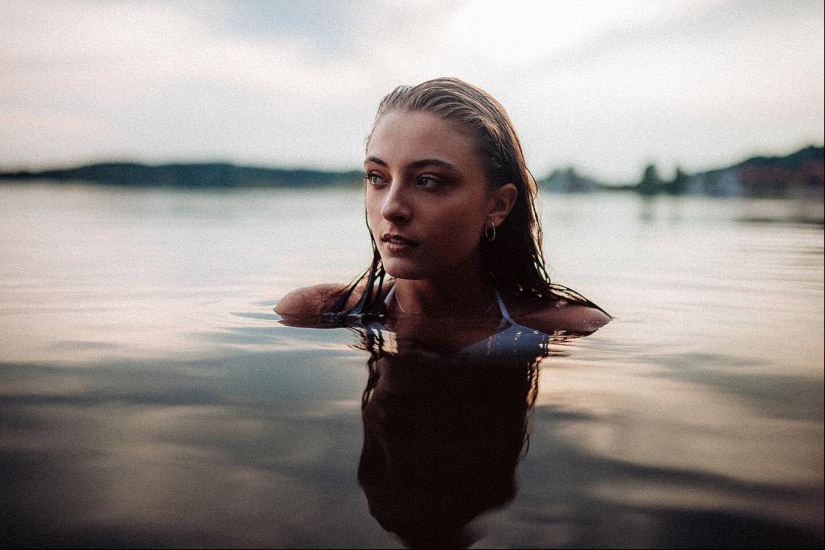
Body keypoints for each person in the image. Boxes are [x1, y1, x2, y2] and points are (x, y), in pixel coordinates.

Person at [276, 77, 610, 339]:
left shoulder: (568, 328)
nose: (391, 208)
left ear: (497, 205)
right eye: (377, 177)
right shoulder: (315, 313)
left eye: (428, 181)